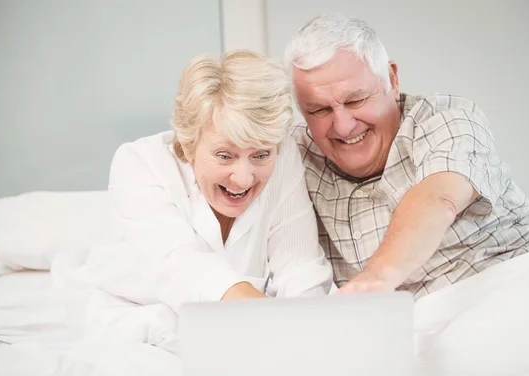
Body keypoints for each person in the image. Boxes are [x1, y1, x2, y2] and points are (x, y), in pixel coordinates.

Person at [283, 14, 529, 299]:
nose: (343, 125)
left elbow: (438, 197)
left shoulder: (447, 118)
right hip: (430, 325)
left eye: (356, 99)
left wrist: (372, 282)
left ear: (391, 79)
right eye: (319, 110)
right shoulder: (294, 156)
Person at [54, 50, 333, 313]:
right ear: (188, 145)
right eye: (225, 156)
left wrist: (306, 327)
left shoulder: (281, 158)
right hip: (128, 310)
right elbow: (182, 267)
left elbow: (300, 268)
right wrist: (278, 322)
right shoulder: (139, 163)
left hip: (239, 320)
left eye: (260, 155)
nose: (244, 178)